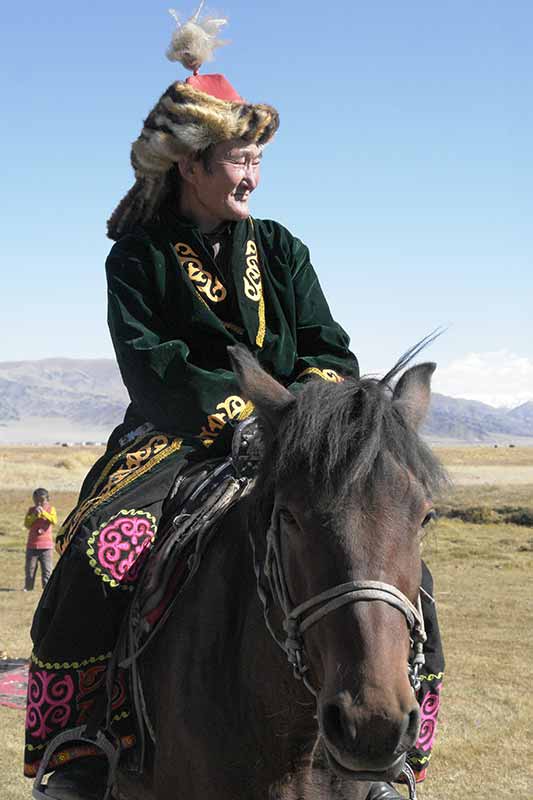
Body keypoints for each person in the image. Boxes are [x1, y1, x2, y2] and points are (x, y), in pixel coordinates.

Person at [24, 8, 444, 800]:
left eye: (256, 160)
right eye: (239, 160)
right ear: (191, 166)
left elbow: (326, 346)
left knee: (397, 567)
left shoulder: (281, 249)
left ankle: (397, 750)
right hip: (172, 437)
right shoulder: (138, 258)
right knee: (100, 552)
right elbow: (153, 365)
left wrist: (300, 413)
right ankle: (75, 750)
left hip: (297, 435)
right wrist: (238, 414)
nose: (251, 175)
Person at [23, 488, 57, 591]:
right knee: (30, 569)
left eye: (42, 500)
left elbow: (54, 521)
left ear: (47, 500)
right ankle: (28, 588)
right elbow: (27, 524)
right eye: (36, 500)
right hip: (32, 545)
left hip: (46, 546)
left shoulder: (51, 509)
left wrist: (44, 514)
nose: (39, 503)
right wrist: (34, 515)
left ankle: (47, 589)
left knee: (47, 569)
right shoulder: (31, 510)